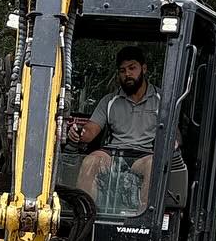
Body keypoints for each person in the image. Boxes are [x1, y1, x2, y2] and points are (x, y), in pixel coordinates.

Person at [68, 46, 160, 208]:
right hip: (113, 154)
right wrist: (78, 133)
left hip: (144, 155)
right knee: (91, 161)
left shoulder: (162, 100)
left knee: (154, 165)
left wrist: (174, 140)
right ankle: (84, 217)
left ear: (144, 69)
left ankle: (144, 220)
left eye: (132, 68)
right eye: (122, 70)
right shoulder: (110, 101)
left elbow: (175, 135)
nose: (127, 74)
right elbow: (90, 131)